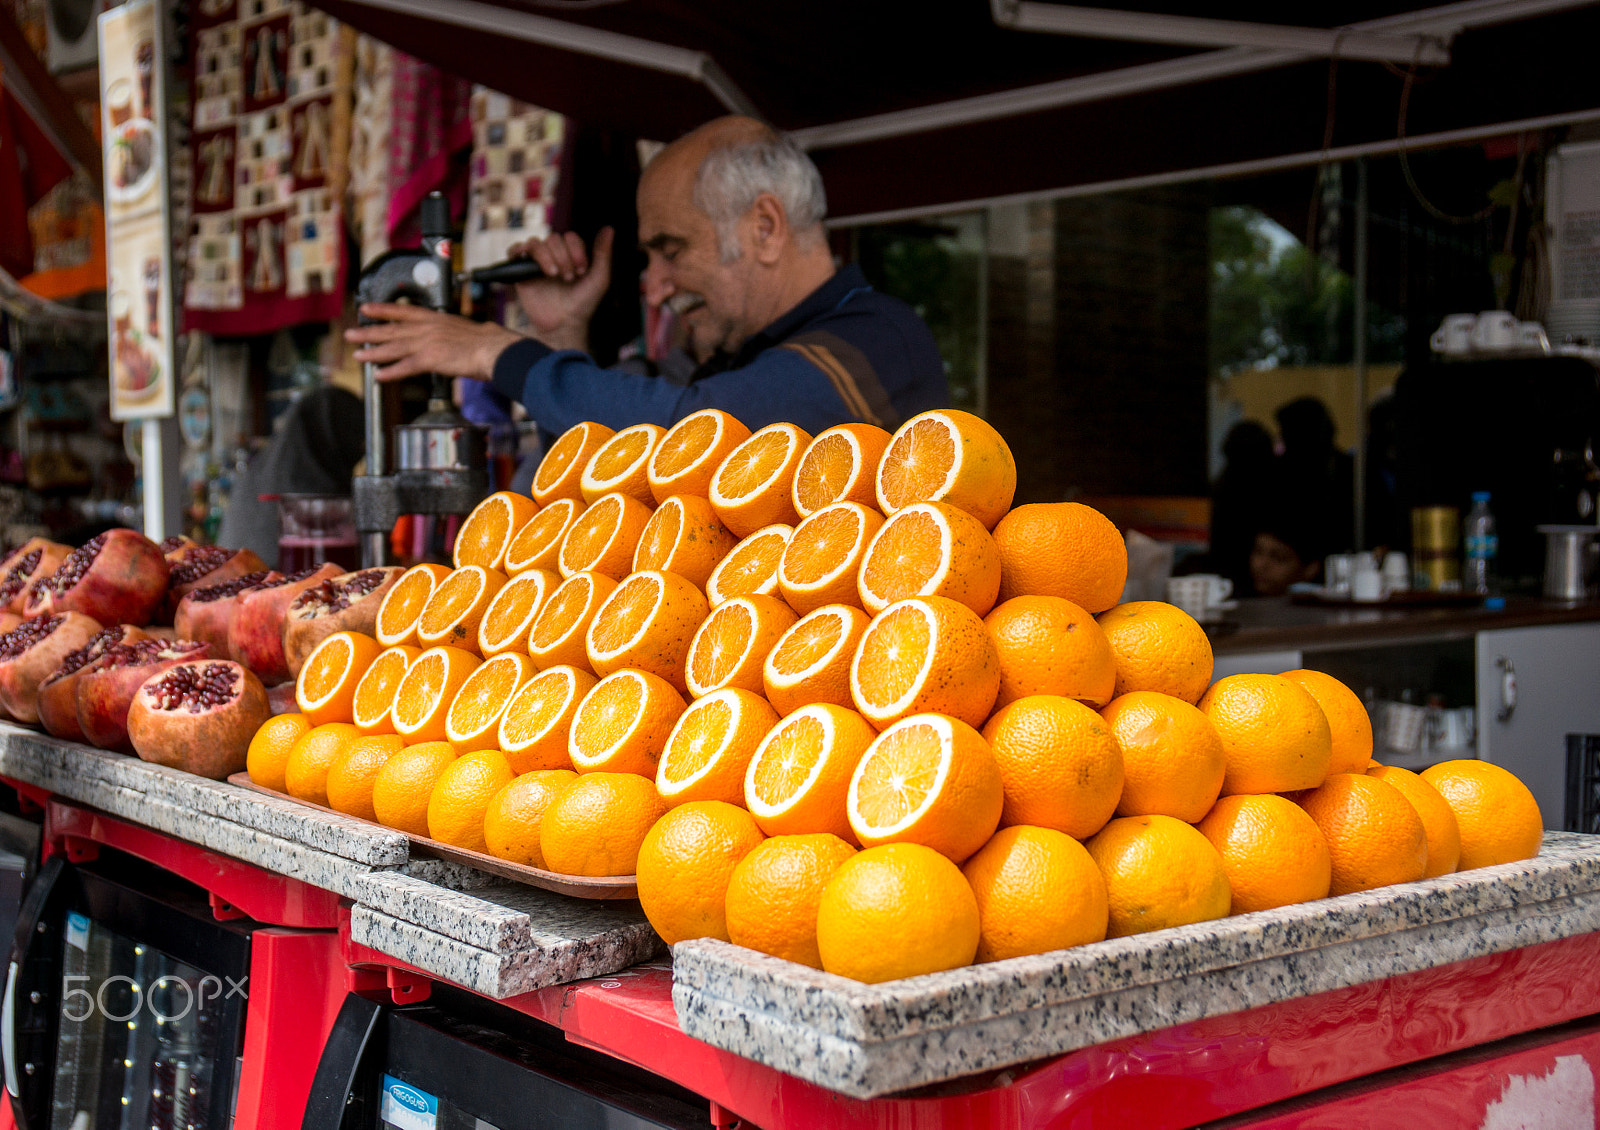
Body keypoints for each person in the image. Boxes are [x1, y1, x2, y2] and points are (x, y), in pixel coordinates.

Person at [346, 116, 949, 435]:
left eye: (672, 249)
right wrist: (562, 334)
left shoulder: (879, 338)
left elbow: (693, 436)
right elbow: (619, 489)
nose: (653, 287)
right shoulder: (737, 355)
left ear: (764, 226)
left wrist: (499, 353)